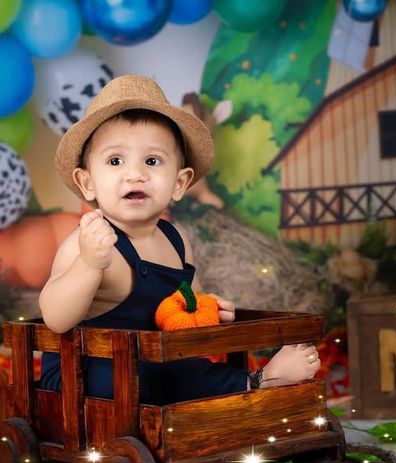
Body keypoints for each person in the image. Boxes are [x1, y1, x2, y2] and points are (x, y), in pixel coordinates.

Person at [39, 75, 320, 405]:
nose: (135, 174)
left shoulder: (175, 240)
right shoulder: (85, 241)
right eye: (115, 161)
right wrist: (88, 264)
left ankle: (260, 381)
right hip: (88, 370)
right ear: (87, 183)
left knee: (190, 370)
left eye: (152, 161)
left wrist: (205, 307)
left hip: (155, 360)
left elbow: (177, 305)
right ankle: (245, 389)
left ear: (179, 183)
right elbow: (55, 318)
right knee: (141, 380)